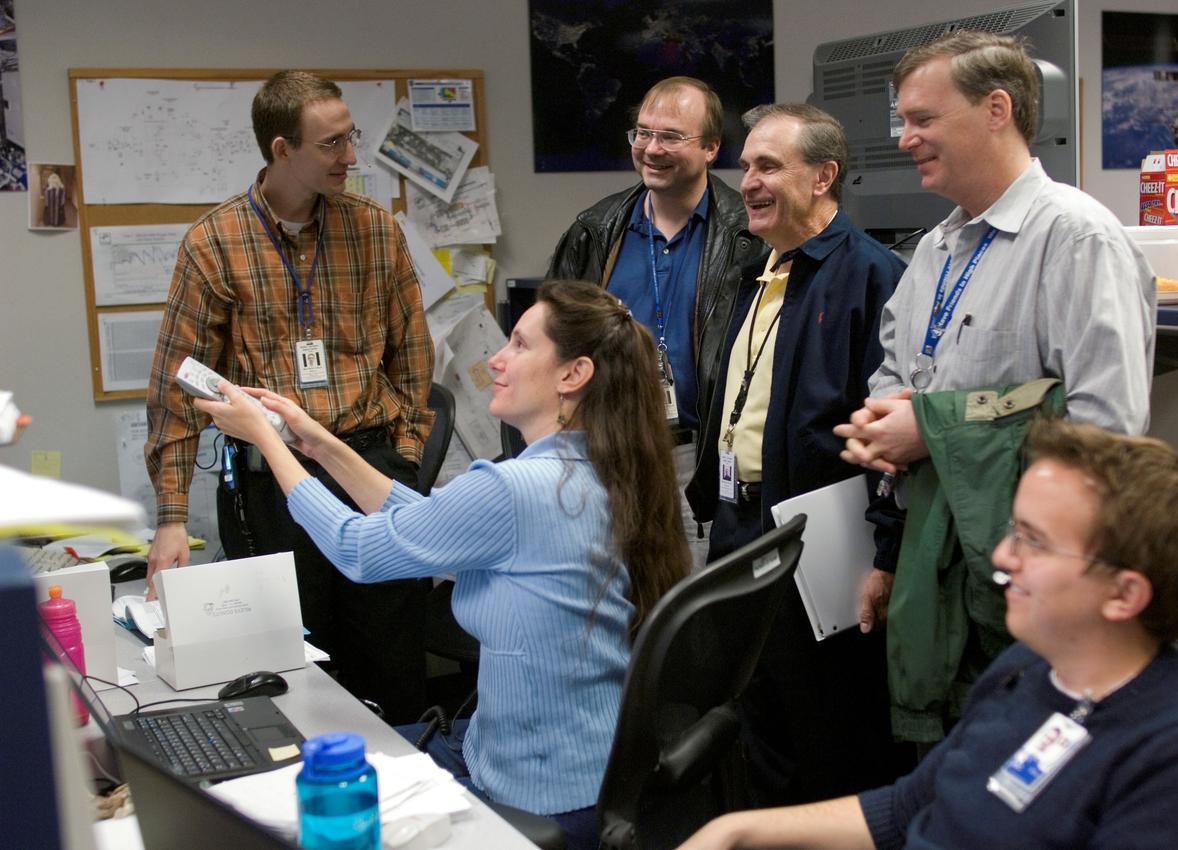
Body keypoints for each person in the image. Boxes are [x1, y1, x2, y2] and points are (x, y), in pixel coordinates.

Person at [197, 280, 690, 850]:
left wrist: (265, 439)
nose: (497, 360)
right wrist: (318, 443)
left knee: (286, 796)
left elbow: (358, 550)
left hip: (536, 791)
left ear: (572, 375)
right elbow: (432, 519)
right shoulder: (599, 471)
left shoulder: (514, 489)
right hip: (591, 767)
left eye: (521, 347)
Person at [679, 420, 1178, 850]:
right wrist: (738, 828)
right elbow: (914, 805)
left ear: (1125, 594)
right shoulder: (1027, 671)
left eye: (1033, 541)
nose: (1004, 555)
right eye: (1014, 530)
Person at [837, 31, 1155, 745]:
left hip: (1029, 581)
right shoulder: (935, 251)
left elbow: (1107, 434)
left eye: (922, 119)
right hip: (940, 562)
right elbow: (895, 371)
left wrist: (935, 431)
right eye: (901, 121)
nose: (905, 138)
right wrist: (883, 424)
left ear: (996, 109)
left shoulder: (1076, 238)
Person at [144, 70, 434, 722]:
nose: (350, 157)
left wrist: (405, 457)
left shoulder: (376, 230)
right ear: (282, 150)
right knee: (293, 671)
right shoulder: (214, 245)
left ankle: (417, 793)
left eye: (350, 138)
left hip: (367, 467)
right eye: (332, 144)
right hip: (269, 485)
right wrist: (170, 517)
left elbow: (413, 354)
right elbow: (177, 383)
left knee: (391, 661)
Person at [688, 102, 907, 805]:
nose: (747, 181)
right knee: (754, 722)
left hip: (820, 545)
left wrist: (888, 554)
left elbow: (891, 435)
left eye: (768, 166)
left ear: (823, 177)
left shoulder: (872, 277)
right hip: (738, 528)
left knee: (827, 733)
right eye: (745, 165)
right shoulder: (756, 274)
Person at [549, 76, 763, 569]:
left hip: (696, 463)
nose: (651, 149)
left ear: (711, 147)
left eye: (670, 136)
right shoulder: (595, 231)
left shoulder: (748, 236)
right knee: (606, 615)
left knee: (688, 620)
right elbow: (552, 349)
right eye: (642, 133)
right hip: (603, 453)